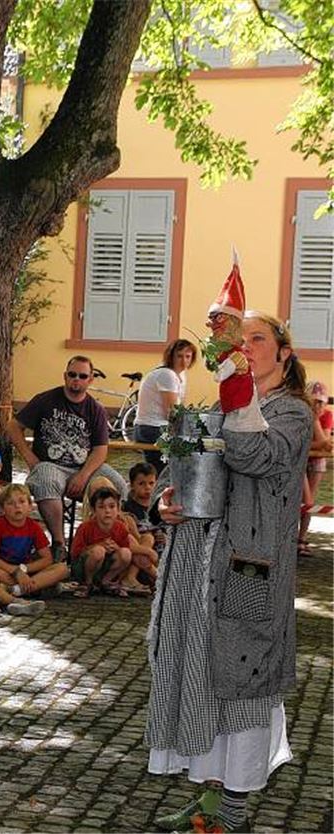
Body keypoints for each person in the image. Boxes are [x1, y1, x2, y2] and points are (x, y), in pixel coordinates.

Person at [148, 312, 313, 834]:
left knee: (242, 679)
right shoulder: (223, 406)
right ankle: (209, 801)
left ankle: (234, 810)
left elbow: (253, 455)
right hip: (198, 562)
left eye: (257, 339)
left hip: (249, 565)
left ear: (283, 353)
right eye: (238, 342)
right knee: (201, 673)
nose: (245, 348)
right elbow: (181, 470)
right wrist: (163, 505)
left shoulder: (292, 414)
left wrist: (234, 390)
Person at [5, 355, 126, 556]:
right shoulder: (45, 400)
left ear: (90, 380)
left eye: (82, 375)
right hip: (50, 464)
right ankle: (59, 545)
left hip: (84, 466)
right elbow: (12, 426)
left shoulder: (95, 409)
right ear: (65, 376)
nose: (76, 379)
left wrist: (83, 475)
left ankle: (105, 546)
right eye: (72, 374)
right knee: (45, 480)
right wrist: (29, 457)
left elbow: (100, 450)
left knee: (118, 485)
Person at [0, 483, 57, 615]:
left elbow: (47, 558)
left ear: (30, 506)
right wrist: (16, 572)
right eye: (11, 503)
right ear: (2, 509)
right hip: (3, 569)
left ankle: (15, 589)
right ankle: (31, 588)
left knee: (62, 569)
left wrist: (23, 570)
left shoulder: (34, 527)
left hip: (24, 570)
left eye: (22, 501)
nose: (17, 506)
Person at [133, 339, 198, 472]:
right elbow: (172, 412)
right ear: (171, 356)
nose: (184, 361)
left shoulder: (179, 375)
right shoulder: (167, 374)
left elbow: (179, 408)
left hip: (154, 428)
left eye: (188, 356)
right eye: (179, 356)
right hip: (151, 428)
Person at [69, 485, 133, 598]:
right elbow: (74, 553)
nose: (107, 511)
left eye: (112, 506)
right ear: (93, 510)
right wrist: (96, 546)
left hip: (105, 565)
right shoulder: (85, 528)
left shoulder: (121, 527)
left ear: (118, 509)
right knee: (98, 551)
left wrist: (116, 548)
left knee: (126, 554)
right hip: (84, 567)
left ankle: (105, 582)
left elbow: (126, 549)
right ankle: (87, 583)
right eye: (101, 507)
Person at [298, 380, 332, 555]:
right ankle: (292, 539)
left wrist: (316, 420)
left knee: (309, 503)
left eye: (321, 401)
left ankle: (301, 539)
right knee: (306, 501)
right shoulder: (301, 415)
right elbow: (300, 445)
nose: (318, 405)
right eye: (314, 401)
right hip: (300, 461)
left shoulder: (327, 415)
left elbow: (325, 446)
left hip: (316, 460)